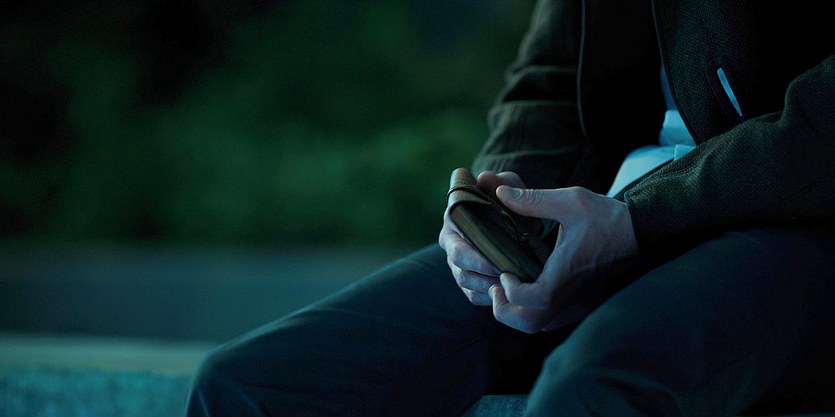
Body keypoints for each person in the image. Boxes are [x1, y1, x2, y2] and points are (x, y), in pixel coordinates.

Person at [185, 0, 835, 415]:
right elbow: (548, 79)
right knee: (247, 386)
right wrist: (501, 207)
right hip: (608, 210)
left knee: (591, 389)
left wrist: (645, 216)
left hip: (787, 215)